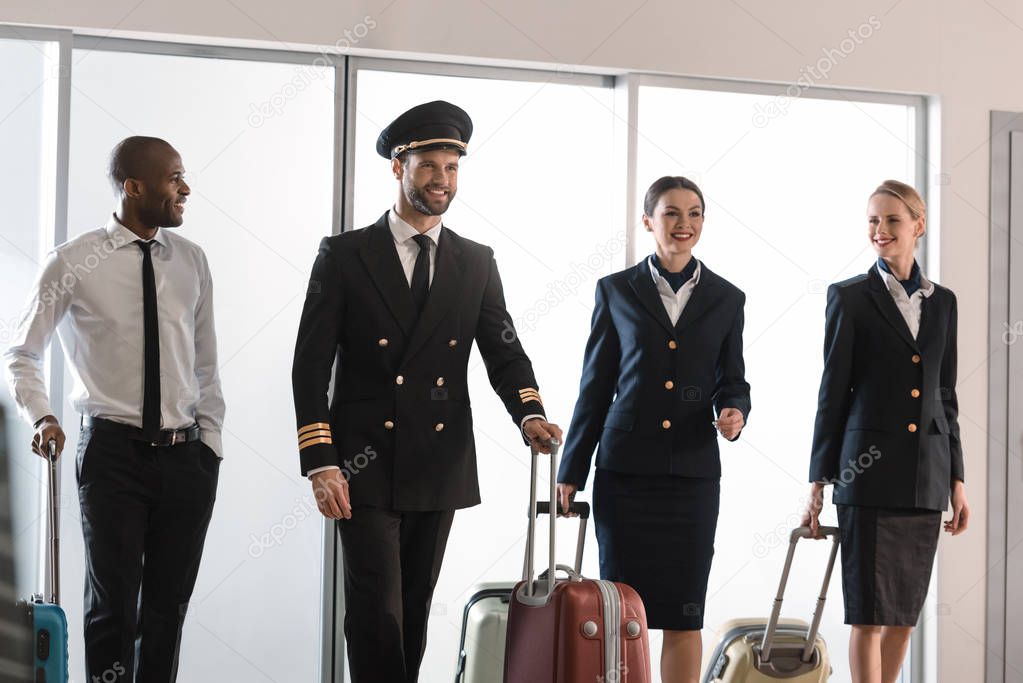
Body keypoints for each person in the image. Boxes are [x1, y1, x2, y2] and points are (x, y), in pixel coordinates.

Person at [291, 100, 562, 683]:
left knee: (412, 610)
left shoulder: (475, 261)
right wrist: (321, 462)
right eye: (429, 167)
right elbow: (309, 366)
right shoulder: (343, 255)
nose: (442, 180)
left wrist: (529, 414)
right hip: (361, 463)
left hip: (438, 462)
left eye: (452, 168)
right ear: (398, 167)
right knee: (376, 612)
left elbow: (504, 350)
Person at [3, 136, 224, 682]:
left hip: (185, 456)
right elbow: (21, 351)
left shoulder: (191, 261)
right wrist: (43, 416)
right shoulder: (73, 261)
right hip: (111, 455)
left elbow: (207, 365)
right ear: (134, 186)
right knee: (113, 610)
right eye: (175, 178)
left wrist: (211, 447)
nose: (185, 189)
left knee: (167, 611)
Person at [556, 176, 750, 683]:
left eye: (694, 213)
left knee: (685, 615)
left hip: (692, 477)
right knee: (622, 615)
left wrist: (734, 411)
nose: (683, 224)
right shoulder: (616, 291)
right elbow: (595, 386)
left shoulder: (728, 298)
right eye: (671, 213)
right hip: (626, 475)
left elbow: (733, 380)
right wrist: (571, 469)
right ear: (648, 221)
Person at [802, 180, 969, 683]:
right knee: (869, 614)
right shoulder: (849, 298)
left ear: (918, 225)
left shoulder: (944, 303)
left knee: (904, 616)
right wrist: (819, 480)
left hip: (926, 478)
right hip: (867, 478)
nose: (880, 230)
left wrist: (956, 479)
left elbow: (945, 396)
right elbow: (832, 394)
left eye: (892, 220)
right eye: (873, 220)